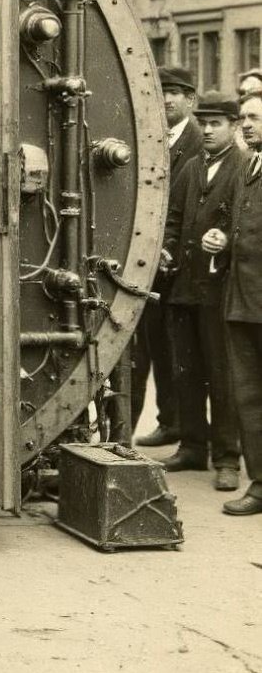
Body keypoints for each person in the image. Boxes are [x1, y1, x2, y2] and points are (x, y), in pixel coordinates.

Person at [159, 92, 245, 490]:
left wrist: (225, 240)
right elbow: (173, 219)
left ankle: (227, 457)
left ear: (233, 127)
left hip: (220, 290)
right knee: (186, 369)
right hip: (183, 285)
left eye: (217, 124)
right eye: (205, 123)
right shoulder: (192, 167)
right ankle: (193, 445)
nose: (207, 130)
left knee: (221, 373)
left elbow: (247, 225)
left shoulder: (244, 168)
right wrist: (165, 248)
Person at [133, 66, 204, 446]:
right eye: (161, 91)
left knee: (177, 349)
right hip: (149, 258)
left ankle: (181, 426)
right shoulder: (150, 136)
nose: (166, 98)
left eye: (175, 92)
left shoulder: (197, 142)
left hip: (179, 263)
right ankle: (168, 420)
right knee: (152, 344)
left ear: (191, 101)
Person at [202, 93, 262, 516]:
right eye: (243, 117)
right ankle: (260, 484)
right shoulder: (250, 166)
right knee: (250, 397)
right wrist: (222, 240)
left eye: (255, 117)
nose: (246, 124)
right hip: (242, 299)